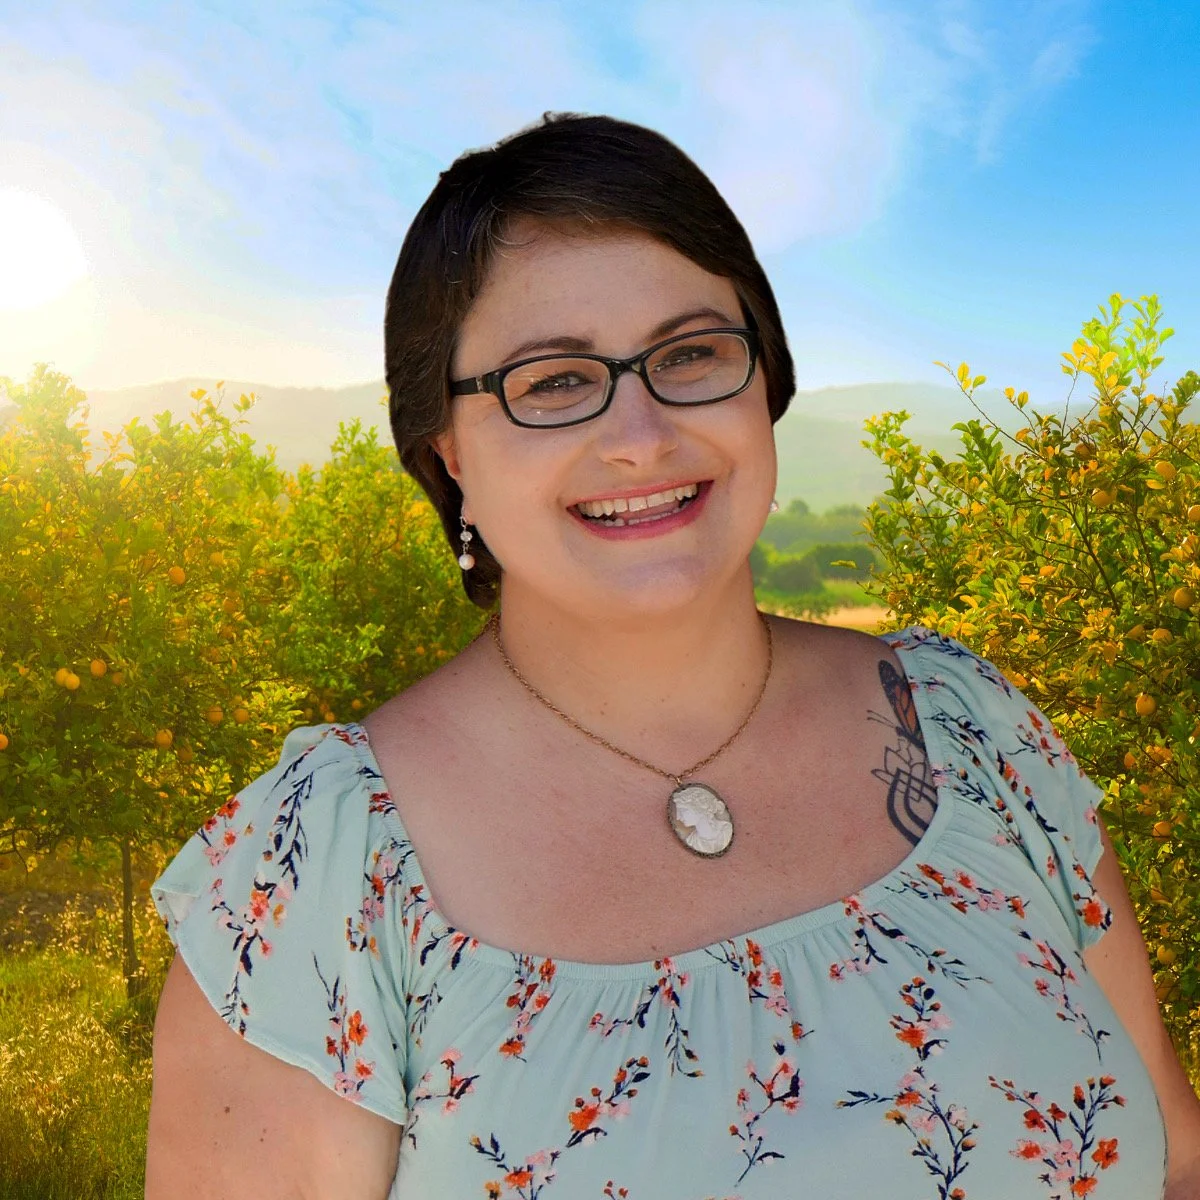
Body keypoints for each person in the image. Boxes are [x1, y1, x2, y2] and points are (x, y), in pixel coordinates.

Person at [146, 113, 1200, 1199]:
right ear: (446, 450)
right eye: (552, 381)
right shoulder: (316, 879)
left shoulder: (969, 727)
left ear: (764, 379)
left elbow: (1176, 1160)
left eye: (691, 354)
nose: (641, 435)